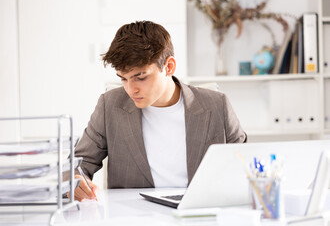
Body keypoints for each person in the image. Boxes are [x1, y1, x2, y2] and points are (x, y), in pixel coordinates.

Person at [71, 21, 247, 201]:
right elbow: (77, 164)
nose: (131, 90)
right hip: (134, 215)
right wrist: (75, 180)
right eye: (123, 79)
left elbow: (245, 165)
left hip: (199, 213)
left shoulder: (217, 104)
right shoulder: (110, 106)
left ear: (169, 67)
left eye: (140, 77)